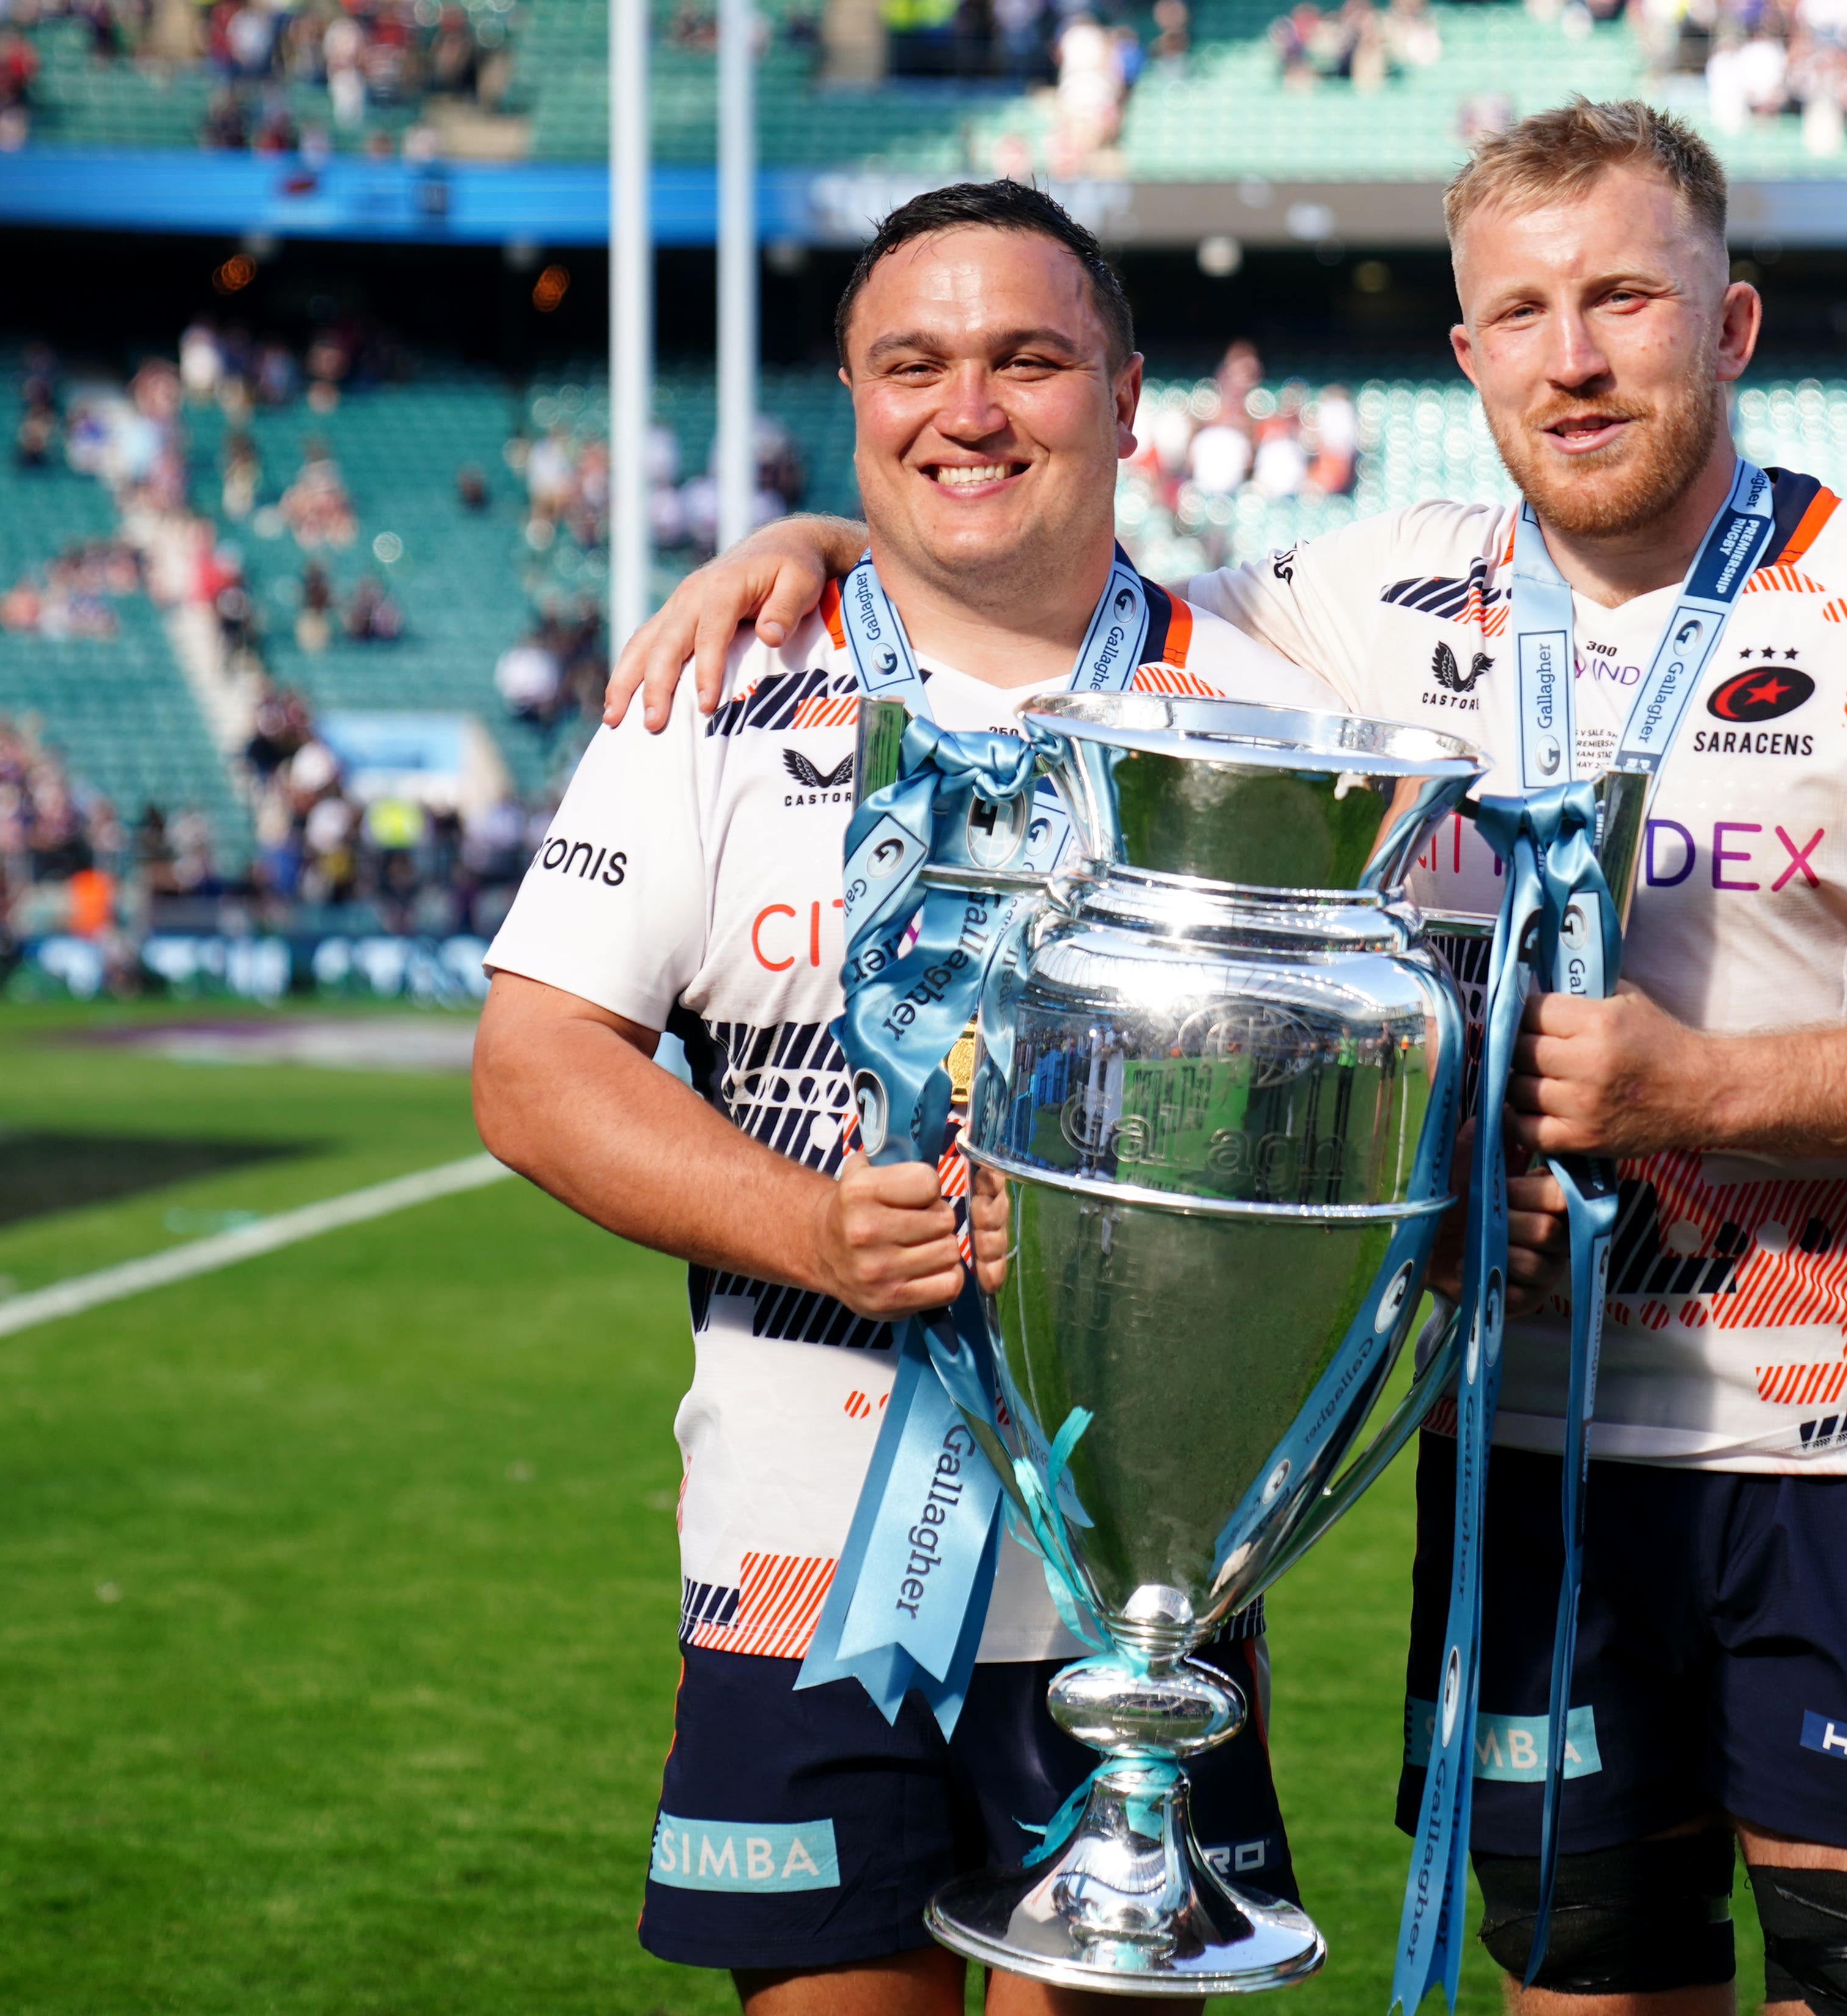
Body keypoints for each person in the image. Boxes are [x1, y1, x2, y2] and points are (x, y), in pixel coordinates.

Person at [609, 104, 1847, 2016]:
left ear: (1728, 325)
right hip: (1513, 1448)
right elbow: (1023, 575)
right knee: (1589, 1964)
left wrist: (1702, 1090)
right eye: (1520, 312)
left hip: (1845, 1436)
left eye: (1622, 303)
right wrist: (825, 535)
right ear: (1467, 355)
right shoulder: (1352, 612)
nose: (1571, 357)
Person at [468, 181, 1349, 2016]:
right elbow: (533, 1068)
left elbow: (1348, 1116)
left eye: (1027, 358)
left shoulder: (1264, 719)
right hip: (797, 1586)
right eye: (913, 363)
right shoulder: (715, 687)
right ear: (856, 402)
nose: (969, 407)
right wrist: (807, 1225)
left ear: (1124, 392)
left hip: (1139, 1603)